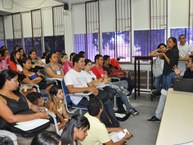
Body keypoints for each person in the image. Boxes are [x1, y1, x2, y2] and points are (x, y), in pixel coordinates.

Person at [64, 54, 120, 127]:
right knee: (99, 104)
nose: (84, 63)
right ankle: (108, 125)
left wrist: (94, 89)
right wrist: (87, 89)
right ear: (75, 63)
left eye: (84, 61)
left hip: (88, 94)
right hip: (79, 97)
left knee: (107, 99)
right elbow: (71, 90)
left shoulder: (83, 73)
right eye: (82, 61)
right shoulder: (69, 74)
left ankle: (115, 123)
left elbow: (91, 85)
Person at [148, 37, 179, 121]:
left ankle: (163, 114)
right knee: (164, 93)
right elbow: (151, 54)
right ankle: (158, 115)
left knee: (168, 94)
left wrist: (164, 55)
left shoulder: (175, 51)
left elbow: (171, 63)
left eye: (169, 42)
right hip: (166, 74)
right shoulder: (168, 51)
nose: (168, 43)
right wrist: (159, 50)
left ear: (174, 43)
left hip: (170, 74)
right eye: (167, 42)